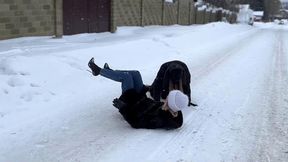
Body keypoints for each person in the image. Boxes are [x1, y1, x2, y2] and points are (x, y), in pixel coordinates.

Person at [88, 58, 189, 129]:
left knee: (126, 77)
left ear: (171, 102)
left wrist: (123, 108)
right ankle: (110, 72)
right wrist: (149, 88)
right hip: (140, 98)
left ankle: (99, 71)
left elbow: (136, 122)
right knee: (136, 73)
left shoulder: (160, 119)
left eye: (169, 98)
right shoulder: (171, 109)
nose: (166, 99)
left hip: (130, 102)